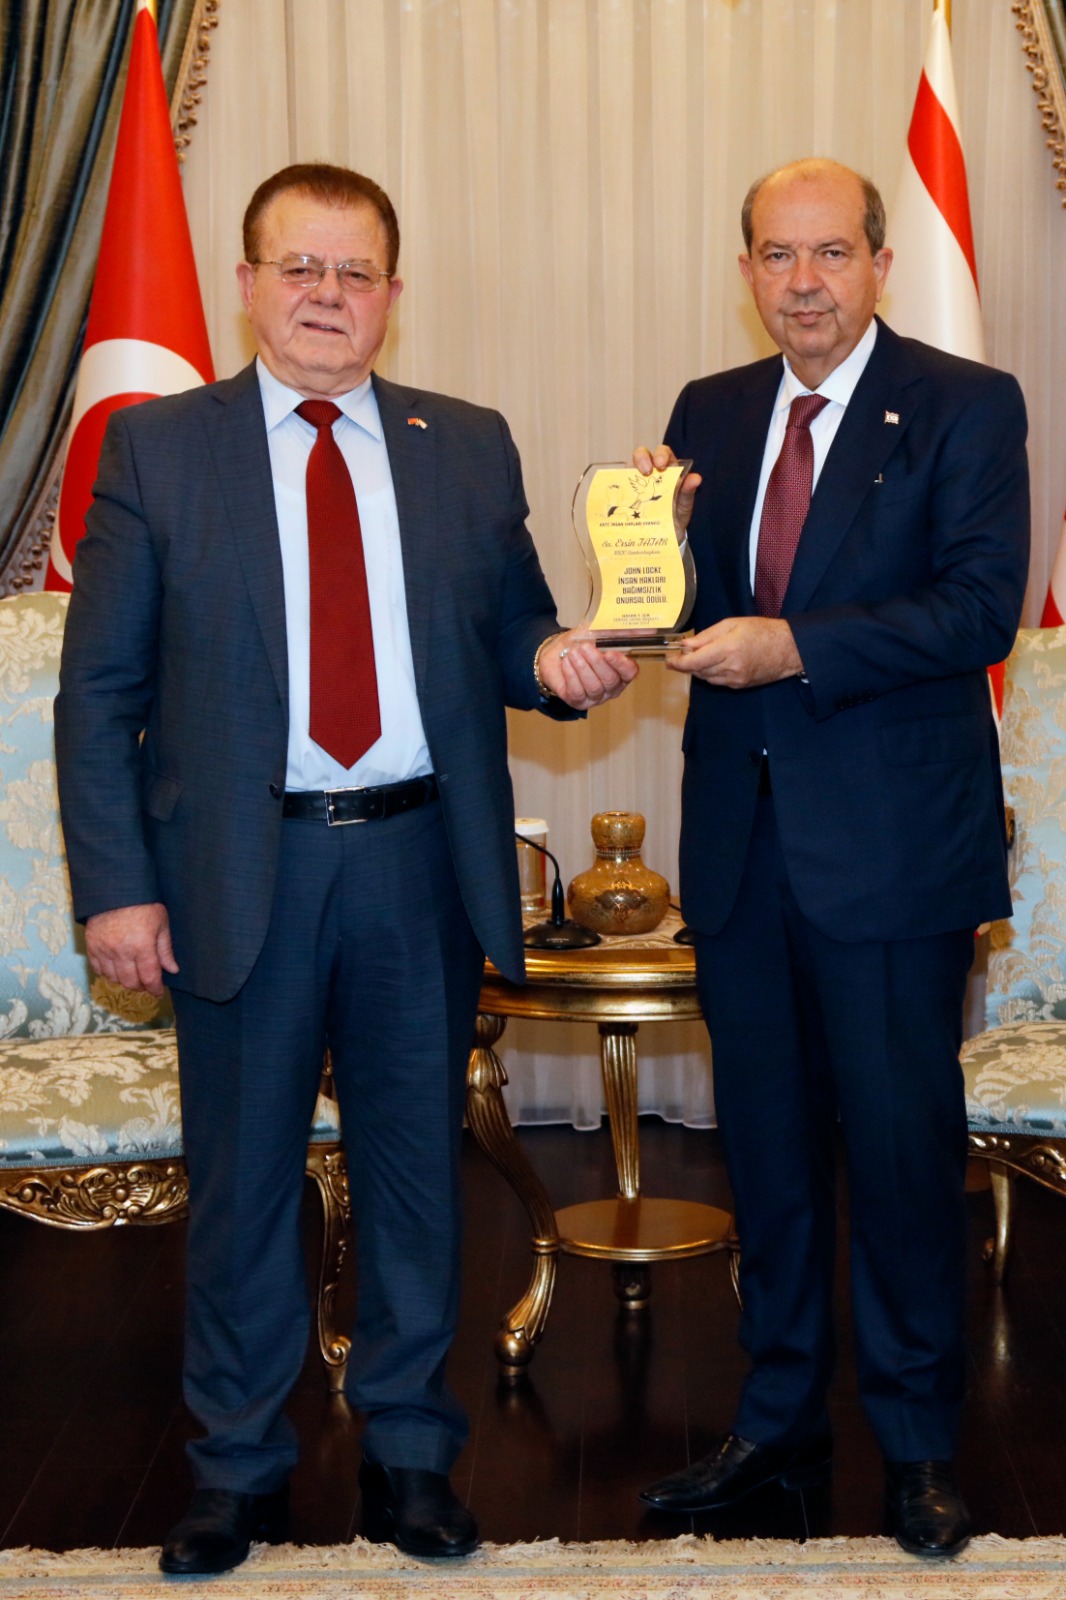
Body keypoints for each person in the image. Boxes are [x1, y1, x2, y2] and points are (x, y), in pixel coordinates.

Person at [54, 162, 636, 1577]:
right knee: (243, 1182)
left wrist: (563, 663)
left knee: (414, 1177)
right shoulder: (158, 448)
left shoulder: (466, 445)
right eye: (299, 267)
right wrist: (118, 887)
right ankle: (235, 1466)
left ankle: (411, 1453)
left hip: (414, 867)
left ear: (391, 295)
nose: (327, 294)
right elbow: (100, 694)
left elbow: (513, 634)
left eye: (355, 272)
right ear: (247, 284)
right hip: (234, 873)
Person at [634, 159, 1029, 1558]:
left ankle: (917, 1443)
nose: (802, 282)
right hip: (742, 847)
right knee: (770, 1155)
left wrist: (796, 646)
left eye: (829, 253)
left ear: (878, 263)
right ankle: (780, 1420)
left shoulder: (965, 403)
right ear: (745, 267)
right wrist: (649, 546)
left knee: (903, 1156)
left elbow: (978, 606)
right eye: (775, 255)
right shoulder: (709, 409)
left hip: (893, 852)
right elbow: (686, 615)